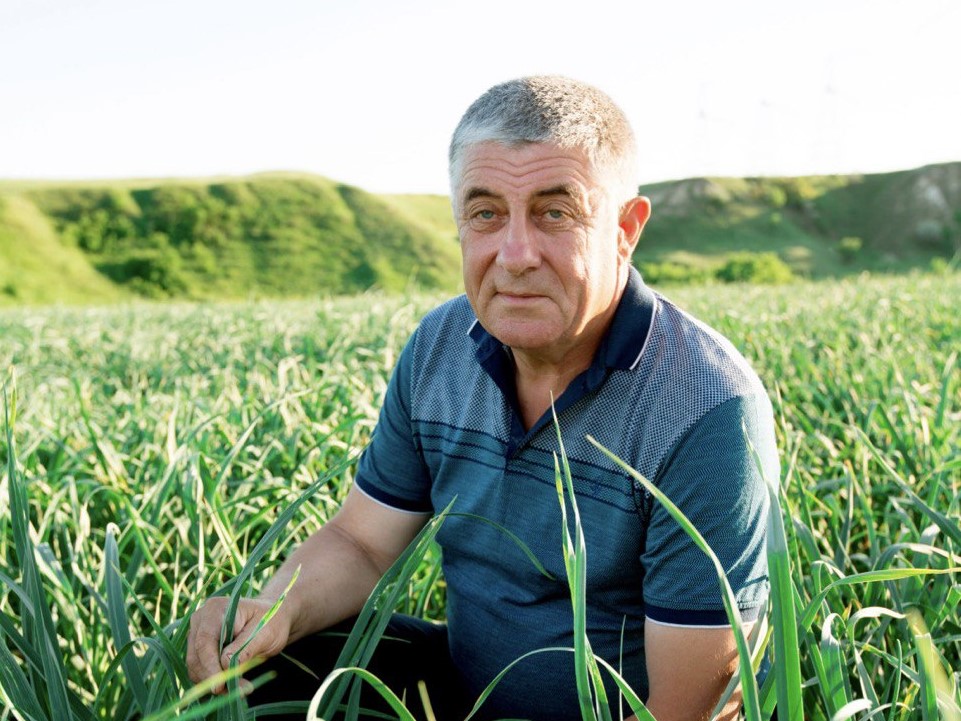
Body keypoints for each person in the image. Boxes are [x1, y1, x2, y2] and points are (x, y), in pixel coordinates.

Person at [187, 76, 778, 721]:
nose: (515, 255)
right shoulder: (439, 347)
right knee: (254, 669)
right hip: (461, 687)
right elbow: (361, 542)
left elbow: (692, 710)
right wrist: (272, 610)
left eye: (555, 213)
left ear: (625, 229)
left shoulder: (706, 407)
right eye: (486, 214)